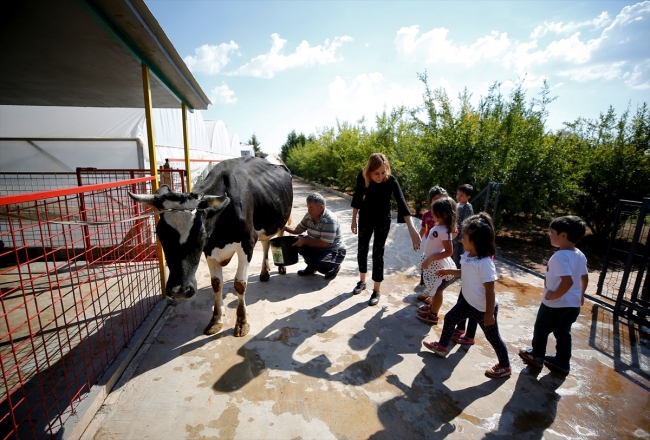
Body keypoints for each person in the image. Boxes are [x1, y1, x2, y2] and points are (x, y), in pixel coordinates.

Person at [422, 213, 512, 379]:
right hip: (468, 302)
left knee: (493, 338)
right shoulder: (468, 256)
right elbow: (466, 272)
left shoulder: (485, 263)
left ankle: (505, 366)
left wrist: (489, 313)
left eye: (464, 237)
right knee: (450, 318)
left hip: (484, 308)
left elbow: (490, 290)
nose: (460, 240)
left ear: (475, 241)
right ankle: (442, 347)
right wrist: (450, 271)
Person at [519, 216, 589, 374]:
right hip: (573, 304)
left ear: (563, 235)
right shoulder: (579, 254)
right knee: (564, 331)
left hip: (555, 305)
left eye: (552, 232)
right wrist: (581, 294)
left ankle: (537, 356)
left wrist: (553, 296)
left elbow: (568, 281)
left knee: (541, 329)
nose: (549, 235)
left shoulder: (560, 256)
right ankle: (563, 361)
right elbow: (584, 277)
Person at [351, 153, 421, 306]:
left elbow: (402, 202)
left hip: (383, 219)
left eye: (383, 172)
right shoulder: (362, 177)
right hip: (365, 217)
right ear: (369, 171)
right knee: (362, 249)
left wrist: (412, 228)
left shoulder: (391, 180)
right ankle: (362, 282)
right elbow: (357, 197)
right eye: (376, 173)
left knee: (378, 252)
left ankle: (376, 290)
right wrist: (353, 219)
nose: (380, 176)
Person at [283, 192, 346, 279]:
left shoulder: (329, 220)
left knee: (321, 264)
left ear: (321, 207)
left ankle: (334, 268)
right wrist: (284, 227)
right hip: (317, 246)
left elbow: (324, 243)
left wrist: (304, 241)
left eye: (311, 208)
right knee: (295, 240)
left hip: (332, 250)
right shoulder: (309, 216)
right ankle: (311, 267)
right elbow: (298, 229)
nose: (309, 210)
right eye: (308, 207)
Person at [416, 197, 458, 325]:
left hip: (437, 265)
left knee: (438, 289)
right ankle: (432, 306)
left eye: (434, 213)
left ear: (444, 215)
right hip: (431, 262)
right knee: (433, 287)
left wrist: (431, 258)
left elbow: (449, 251)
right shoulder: (439, 226)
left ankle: (434, 314)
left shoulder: (445, 231)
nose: (432, 214)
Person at [418, 187, 448, 286]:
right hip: (430, 245)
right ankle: (425, 284)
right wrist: (418, 239)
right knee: (425, 264)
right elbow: (423, 228)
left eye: (442, 199)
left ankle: (435, 289)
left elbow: (454, 230)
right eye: (436, 199)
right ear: (430, 201)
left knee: (436, 269)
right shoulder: (427, 215)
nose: (439, 202)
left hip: (440, 249)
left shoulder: (446, 216)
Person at [453, 184, 474, 268]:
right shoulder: (457, 205)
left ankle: (458, 270)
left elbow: (467, 223)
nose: (458, 197)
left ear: (468, 197)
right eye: (458, 194)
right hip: (454, 232)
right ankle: (452, 268)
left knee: (458, 253)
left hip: (460, 235)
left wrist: (462, 236)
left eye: (461, 195)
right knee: (453, 251)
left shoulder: (467, 207)